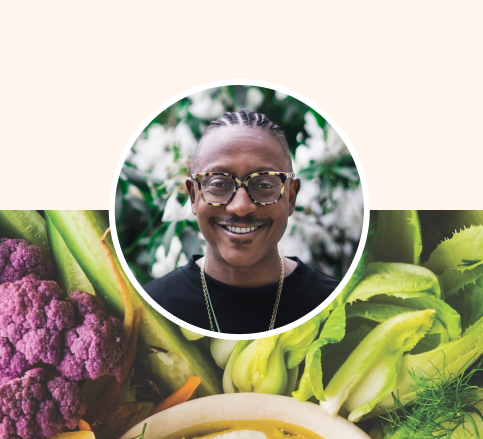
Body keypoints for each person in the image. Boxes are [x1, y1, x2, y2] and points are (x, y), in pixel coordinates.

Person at [143, 111, 341, 335]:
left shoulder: (335, 305)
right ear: (193, 197)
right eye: (218, 183)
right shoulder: (150, 307)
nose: (241, 206)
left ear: (291, 197)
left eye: (264, 184)